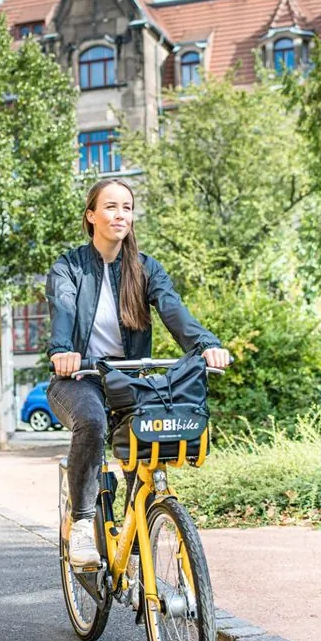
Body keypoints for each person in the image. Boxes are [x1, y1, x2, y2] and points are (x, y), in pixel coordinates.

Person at [46, 179, 230, 569]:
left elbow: (174, 311)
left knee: (149, 446)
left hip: (128, 381)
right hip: (78, 379)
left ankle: (136, 540)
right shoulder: (69, 267)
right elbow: (63, 309)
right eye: (111, 207)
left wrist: (206, 345)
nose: (120, 214)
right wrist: (63, 351)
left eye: (127, 207)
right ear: (91, 216)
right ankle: (81, 522)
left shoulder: (144, 269)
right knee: (93, 423)